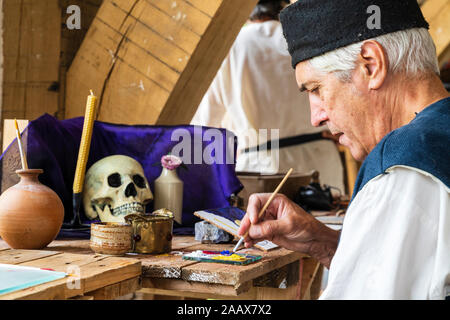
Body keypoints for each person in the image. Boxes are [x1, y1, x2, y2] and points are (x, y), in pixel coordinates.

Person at [238, 0, 450, 299]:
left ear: (370, 65)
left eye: (316, 89)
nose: (316, 118)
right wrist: (324, 243)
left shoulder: (403, 172)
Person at [191, 0, 345, 192]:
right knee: (330, 219)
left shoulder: (232, 45)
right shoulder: (304, 35)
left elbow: (205, 123)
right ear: (282, 5)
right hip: (321, 158)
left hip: (263, 165)